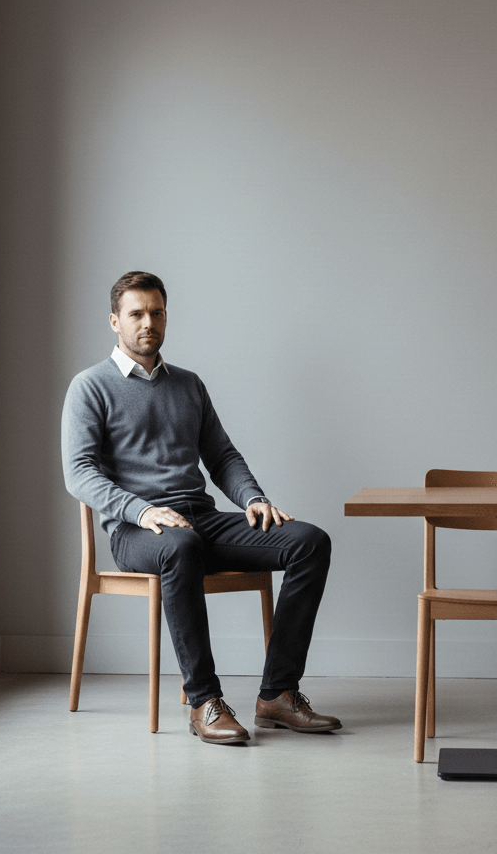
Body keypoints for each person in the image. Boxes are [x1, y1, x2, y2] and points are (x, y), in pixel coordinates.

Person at [61, 271, 340, 744]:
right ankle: (203, 701)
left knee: (309, 542)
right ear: (115, 321)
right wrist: (141, 511)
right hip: (137, 532)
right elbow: (80, 473)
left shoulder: (188, 385)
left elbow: (223, 457)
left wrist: (254, 499)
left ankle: (277, 694)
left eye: (156, 312)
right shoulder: (90, 387)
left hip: (200, 519)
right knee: (181, 545)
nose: (148, 322)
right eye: (136, 314)